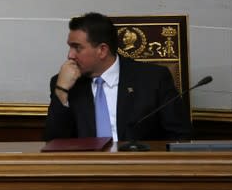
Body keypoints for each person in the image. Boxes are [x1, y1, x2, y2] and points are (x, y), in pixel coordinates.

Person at [44, 12, 192, 142]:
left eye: (77, 47)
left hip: (141, 168)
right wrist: (61, 91)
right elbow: (53, 143)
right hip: (88, 170)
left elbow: (180, 136)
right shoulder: (65, 83)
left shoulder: (153, 79)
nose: (70, 55)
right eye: (70, 47)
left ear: (102, 50)